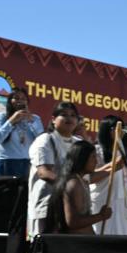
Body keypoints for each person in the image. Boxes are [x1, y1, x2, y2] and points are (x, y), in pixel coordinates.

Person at [27, 101, 81, 237]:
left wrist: (114, 167)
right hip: (47, 207)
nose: (69, 118)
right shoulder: (45, 140)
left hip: (72, 210)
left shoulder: (79, 143)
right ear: (53, 119)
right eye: (64, 115)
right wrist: (70, 187)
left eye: (73, 115)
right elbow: (43, 172)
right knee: (44, 252)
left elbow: (87, 177)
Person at [45, 140, 112, 234]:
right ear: (82, 159)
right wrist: (101, 216)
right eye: (93, 157)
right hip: (75, 243)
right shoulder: (74, 184)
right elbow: (73, 222)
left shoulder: (81, 181)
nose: (96, 161)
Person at [89, 115, 127, 236]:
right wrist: (113, 167)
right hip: (104, 201)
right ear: (107, 130)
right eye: (117, 128)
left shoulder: (124, 152)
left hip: (122, 203)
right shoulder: (97, 150)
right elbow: (89, 178)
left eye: (123, 128)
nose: (121, 131)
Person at [0, 87, 44, 177]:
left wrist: (31, 121)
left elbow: (41, 140)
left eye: (23, 99)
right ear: (10, 100)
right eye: (16, 98)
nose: (20, 101)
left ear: (27, 102)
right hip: (4, 162)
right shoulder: (1, 116)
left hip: (27, 163)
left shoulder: (35, 118)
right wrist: (11, 120)